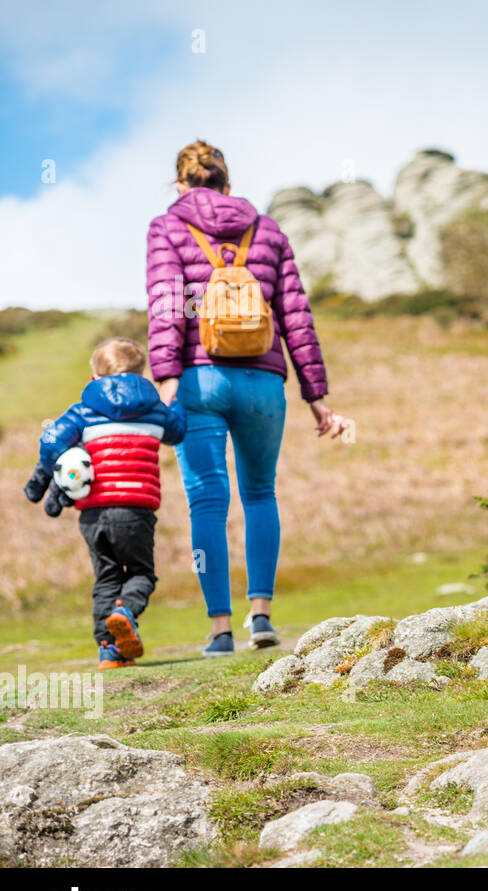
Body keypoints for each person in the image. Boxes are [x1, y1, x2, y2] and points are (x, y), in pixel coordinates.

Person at [146, 140, 346, 658]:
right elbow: (296, 315)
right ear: (228, 186)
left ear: (180, 184)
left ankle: (219, 629)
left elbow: (167, 303)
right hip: (262, 382)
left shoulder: (167, 227)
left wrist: (166, 376)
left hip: (199, 378)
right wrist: (317, 396)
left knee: (207, 502)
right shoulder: (268, 229)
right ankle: (261, 616)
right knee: (260, 494)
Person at [23, 338, 186, 670]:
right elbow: (177, 431)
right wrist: (176, 401)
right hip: (137, 510)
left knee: (106, 577)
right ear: (141, 373)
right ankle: (124, 612)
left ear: (95, 376)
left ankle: (108, 651)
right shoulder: (155, 409)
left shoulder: (83, 411)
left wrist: (57, 470)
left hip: (94, 510)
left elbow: (51, 439)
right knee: (141, 573)